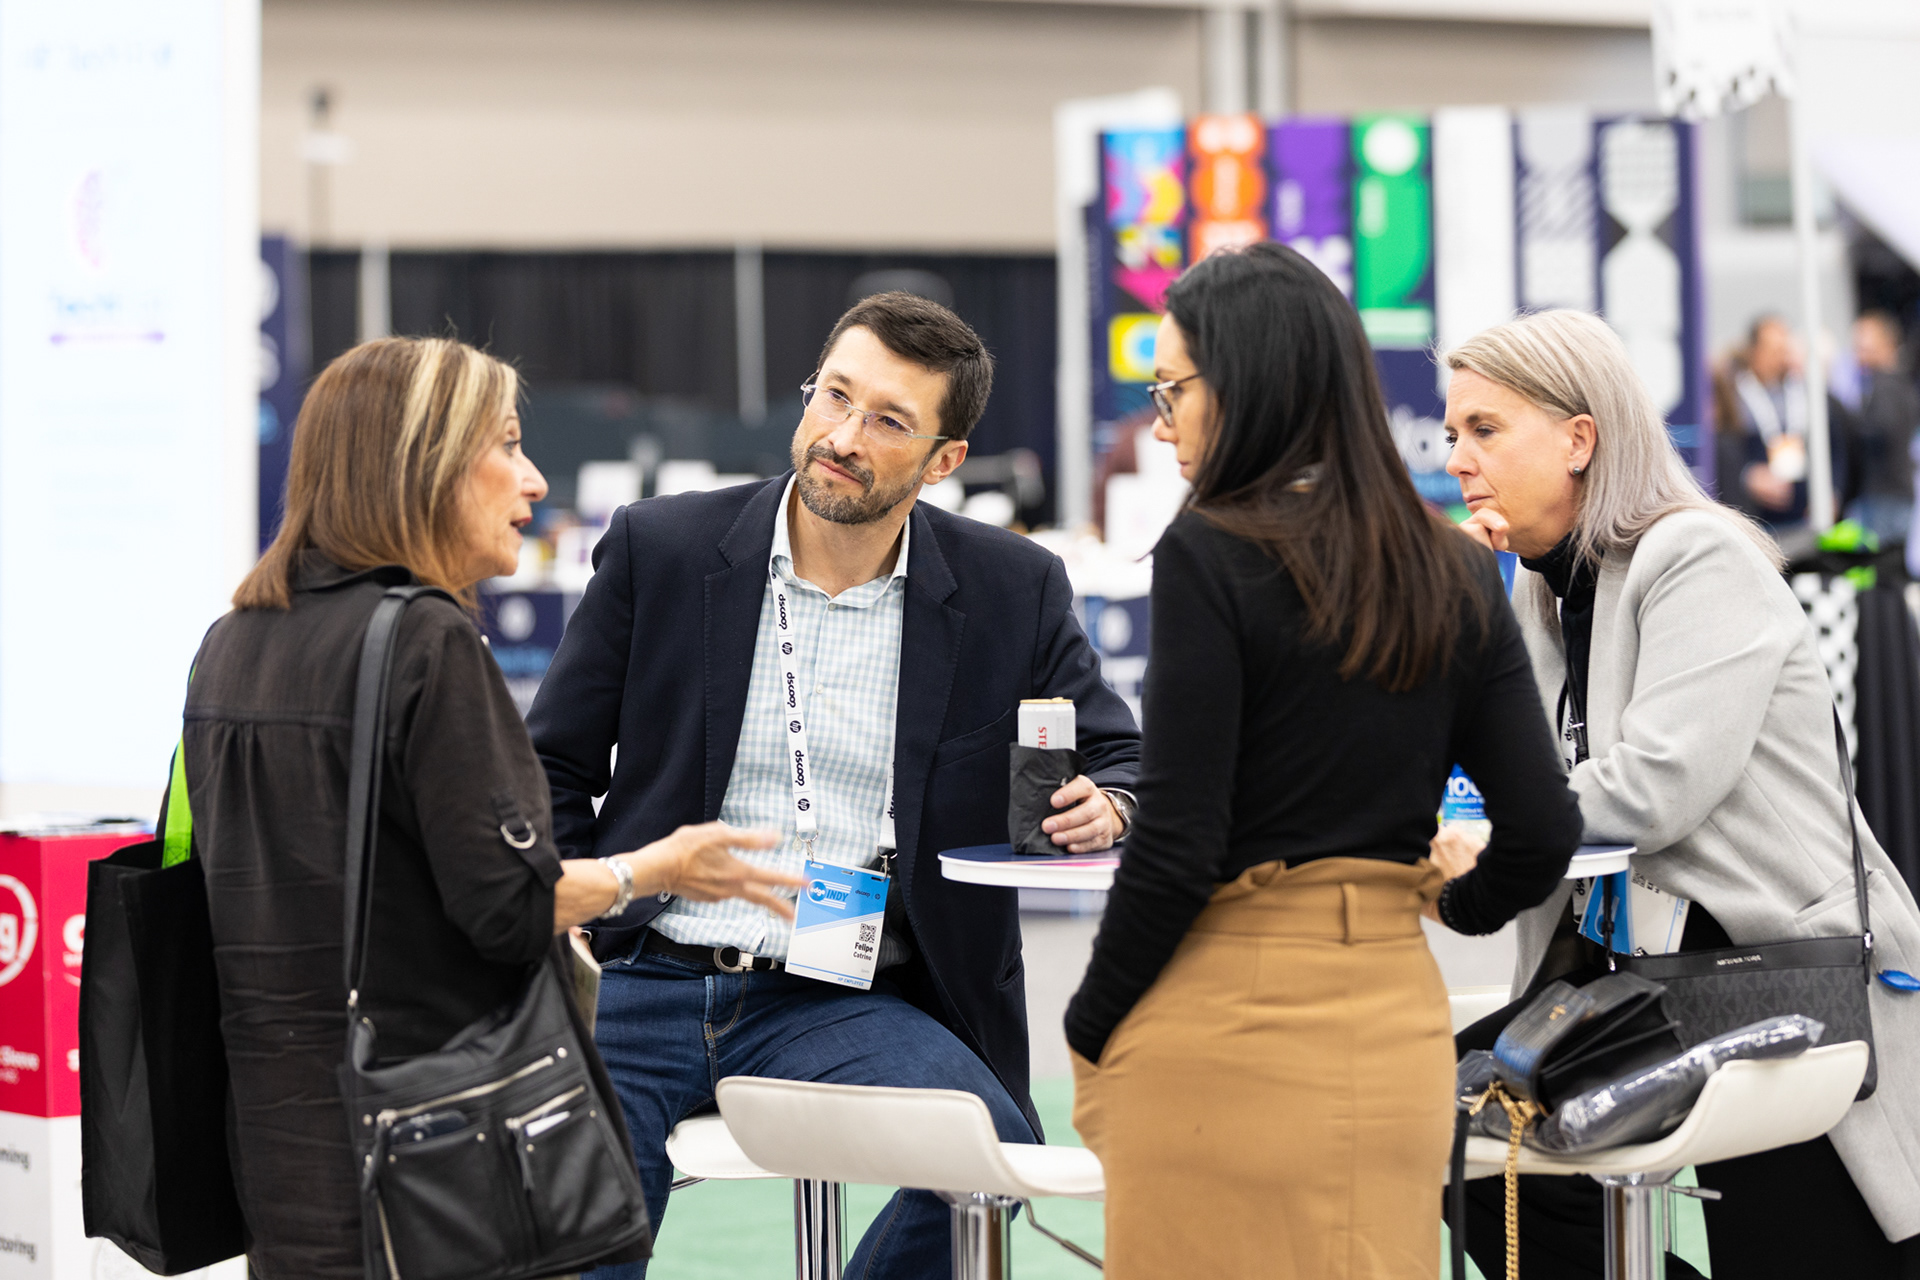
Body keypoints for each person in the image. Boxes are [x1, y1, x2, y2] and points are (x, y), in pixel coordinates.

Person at [527, 291, 1142, 1279]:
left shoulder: (1008, 587)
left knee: (992, 1153)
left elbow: (1123, 754)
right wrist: (578, 925)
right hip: (643, 976)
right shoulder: (663, 548)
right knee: (578, 1249)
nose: (844, 437)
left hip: (830, 994)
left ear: (945, 459)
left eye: (889, 420)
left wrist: (1111, 802)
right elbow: (550, 764)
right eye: (836, 396)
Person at [180, 337, 800, 1280]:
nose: (533, 479)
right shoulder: (424, 644)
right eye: (506, 445)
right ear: (423, 463)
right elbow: (508, 907)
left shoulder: (231, 643)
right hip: (426, 1137)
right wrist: (654, 870)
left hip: (277, 1129)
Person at [1061, 242, 1582, 1279]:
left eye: (1172, 391)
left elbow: (1178, 843)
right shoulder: (1454, 566)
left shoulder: (1211, 550)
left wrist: (1088, 1023)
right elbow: (1544, 829)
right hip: (1394, 1025)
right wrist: (1451, 903)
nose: (1161, 423)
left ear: (1244, 383)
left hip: (1224, 1013)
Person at [1445, 309, 1920, 1278]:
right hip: (1637, 989)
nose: (1457, 459)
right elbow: (1489, 768)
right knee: (1446, 1124)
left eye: (1484, 429)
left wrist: (1493, 830)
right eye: (1454, 432)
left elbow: (1653, 788)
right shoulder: (1539, 591)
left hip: (1777, 979)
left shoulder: (1696, 554)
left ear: (1580, 439)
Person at [1847, 310, 1920, 545]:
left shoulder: (1885, 386)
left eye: (1865, 345)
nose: (1859, 352)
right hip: (1895, 491)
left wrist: (1853, 427)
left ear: (1886, 344)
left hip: (1885, 495)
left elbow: (1882, 430)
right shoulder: (1901, 384)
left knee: (1880, 560)